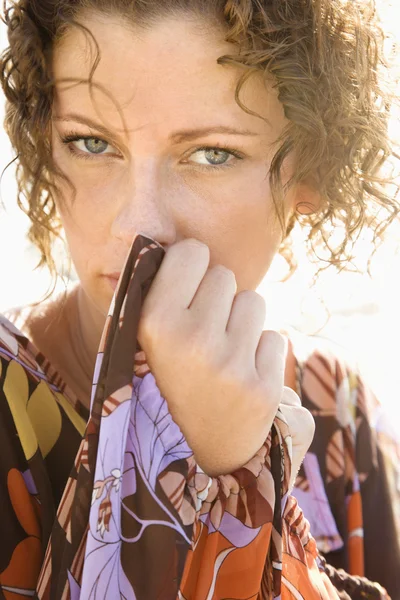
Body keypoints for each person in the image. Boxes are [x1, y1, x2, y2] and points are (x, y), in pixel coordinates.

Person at [0, 0, 398, 598]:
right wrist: (202, 457)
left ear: (309, 171)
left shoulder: (334, 409)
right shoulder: (8, 413)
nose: (138, 225)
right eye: (88, 142)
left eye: (213, 153)